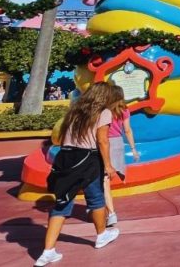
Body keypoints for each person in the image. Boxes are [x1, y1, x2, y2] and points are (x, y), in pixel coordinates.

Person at [35, 82, 123, 266]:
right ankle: (101, 235)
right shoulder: (103, 112)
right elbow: (102, 141)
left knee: (61, 204)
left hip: (66, 157)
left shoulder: (75, 111)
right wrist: (108, 165)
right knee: (96, 198)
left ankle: (47, 251)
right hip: (88, 158)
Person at [102, 99, 139, 228]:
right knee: (106, 180)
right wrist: (133, 149)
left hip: (105, 142)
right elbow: (127, 130)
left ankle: (110, 213)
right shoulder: (124, 110)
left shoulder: (104, 110)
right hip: (118, 143)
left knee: (104, 180)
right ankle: (106, 211)